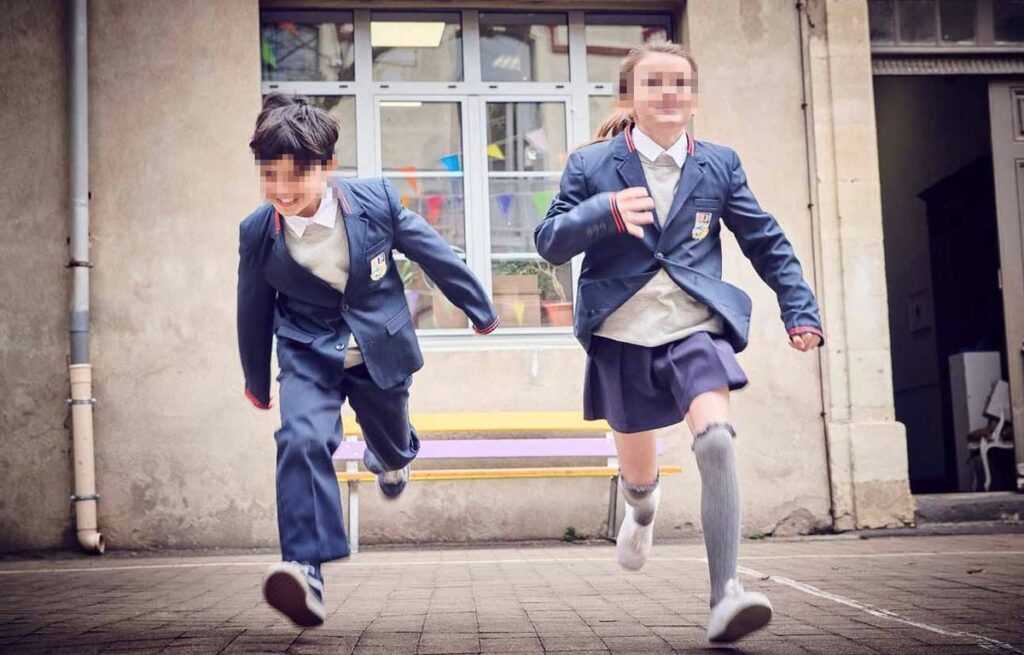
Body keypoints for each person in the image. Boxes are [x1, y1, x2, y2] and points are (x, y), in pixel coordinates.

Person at [534, 42, 824, 643]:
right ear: (630, 98)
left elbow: (766, 241)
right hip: (620, 333)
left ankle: (726, 596)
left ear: (693, 97)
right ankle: (641, 509)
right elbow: (550, 242)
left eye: (680, 84)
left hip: (694, 326)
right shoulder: (592, 166)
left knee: (716, 441)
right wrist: (605, 211)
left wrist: (799, 308)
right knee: (639, 478)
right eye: (654, 83)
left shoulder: (718, 163)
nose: (668, 94)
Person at [237, 94, 499, 627]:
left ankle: (393, 459)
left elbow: (434, 253)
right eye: (270, 176)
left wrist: (479, 307)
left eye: (296, 177)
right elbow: (252, 305)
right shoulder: (258, 232)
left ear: (327, 167)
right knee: (302, 439)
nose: (282, 191)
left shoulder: (374, 201)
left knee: (392, 440)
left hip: (378, 346)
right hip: (307, 351)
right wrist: (256, 381)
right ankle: (305, 570)